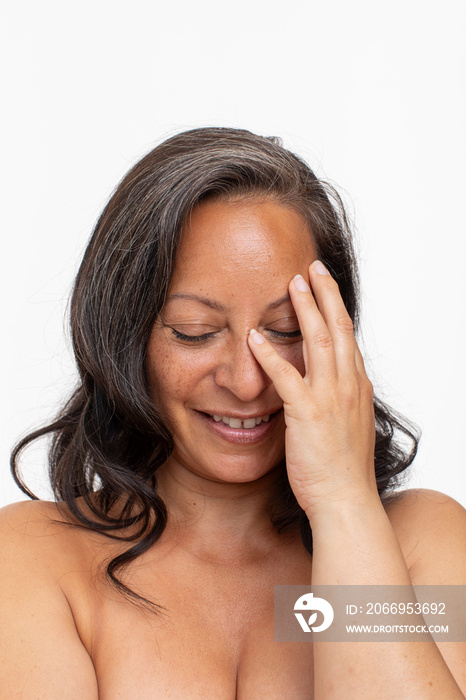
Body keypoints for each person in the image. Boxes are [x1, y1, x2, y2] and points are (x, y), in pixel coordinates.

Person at [1, 127, 465, 699]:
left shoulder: (418, 544)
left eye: (285, 330)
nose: (247, 382)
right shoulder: (34, 558)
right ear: (125, 338)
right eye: (195, 333)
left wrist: (344, 504)